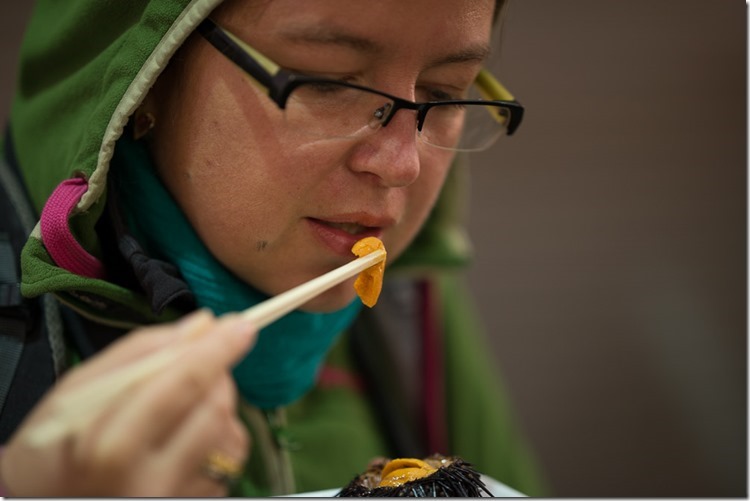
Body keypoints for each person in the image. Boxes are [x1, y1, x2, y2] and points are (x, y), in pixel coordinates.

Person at [0, 0, 544, 496]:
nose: (402, 165)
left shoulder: (407, 307)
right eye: (328, 83)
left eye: (443, 93)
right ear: (152, 75)